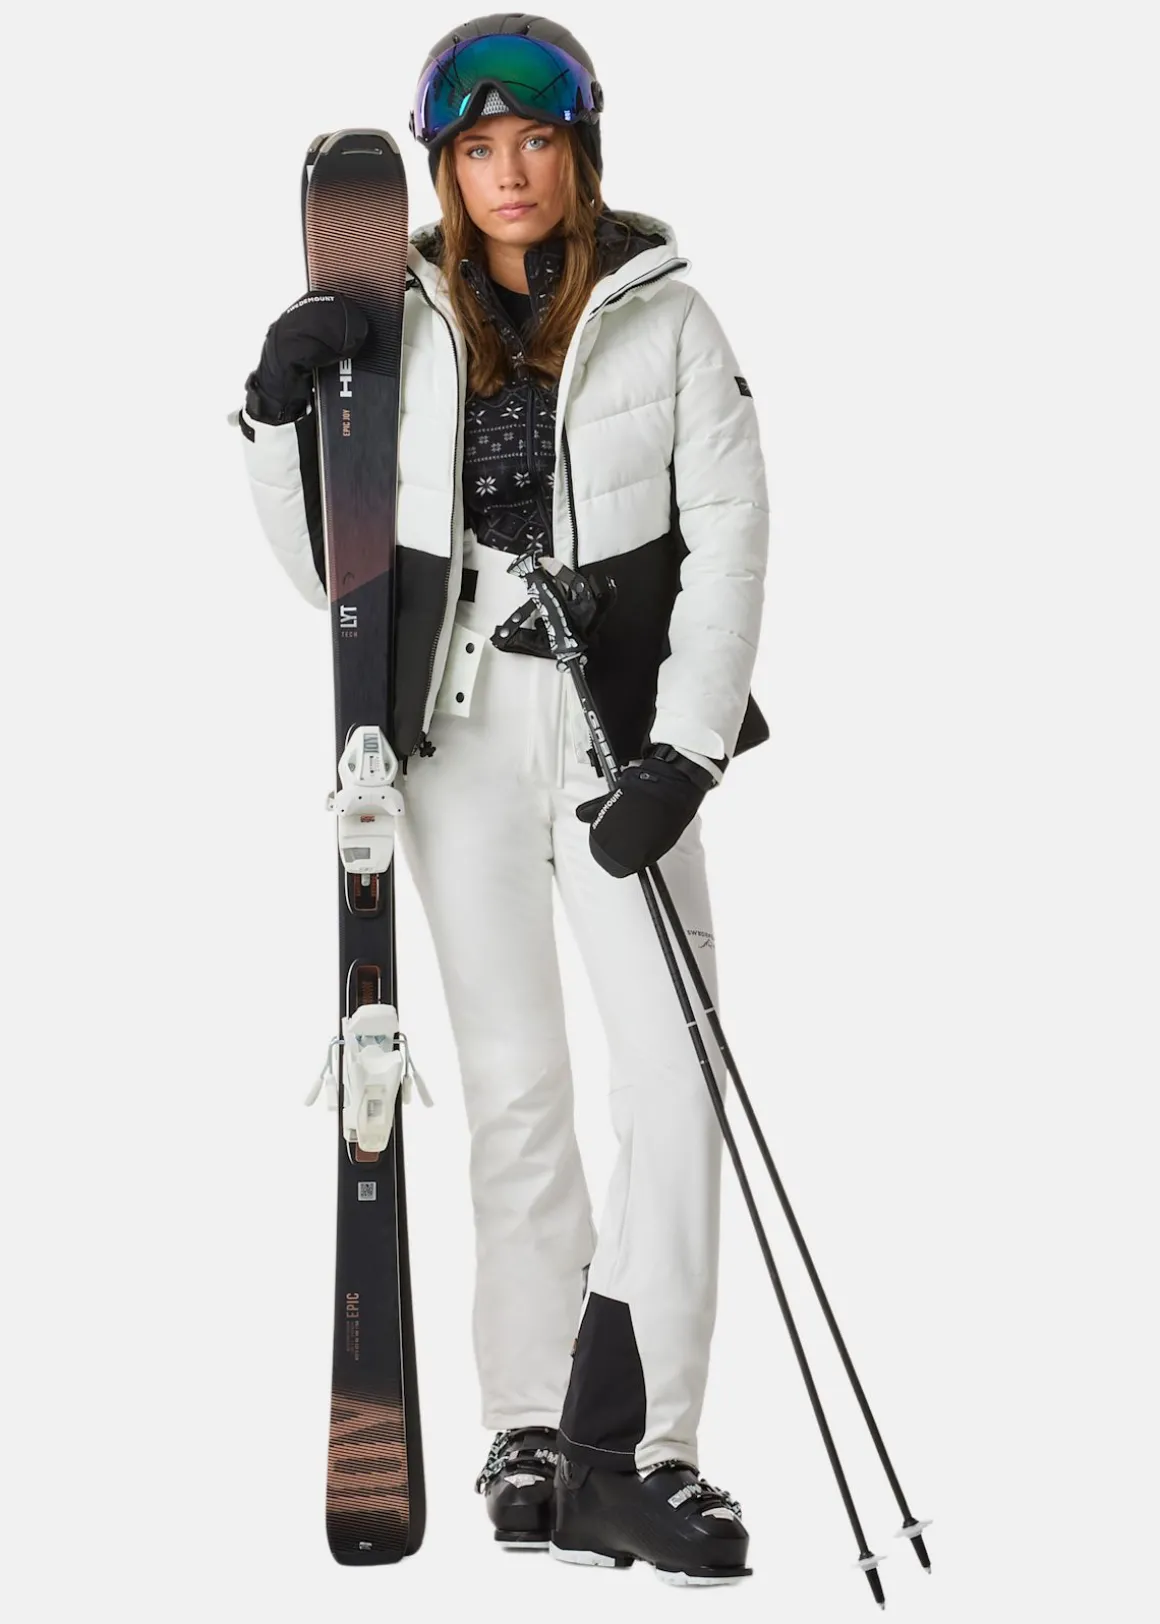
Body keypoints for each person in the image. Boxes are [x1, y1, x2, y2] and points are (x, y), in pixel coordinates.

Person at [235, 11, 770, 1587]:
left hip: (618, 734)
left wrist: (686, 753)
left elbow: (732, 543)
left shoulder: (668, 318)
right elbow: (330, 575)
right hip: (458, 733)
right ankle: (532, 1429)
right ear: (446, 170)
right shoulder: (394, 328)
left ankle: (637, 1447)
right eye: (478, 150)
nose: (512, 174)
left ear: (581, 150)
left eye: (537, 141)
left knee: (674, 1078)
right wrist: (276, 420)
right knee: (518, 1085)